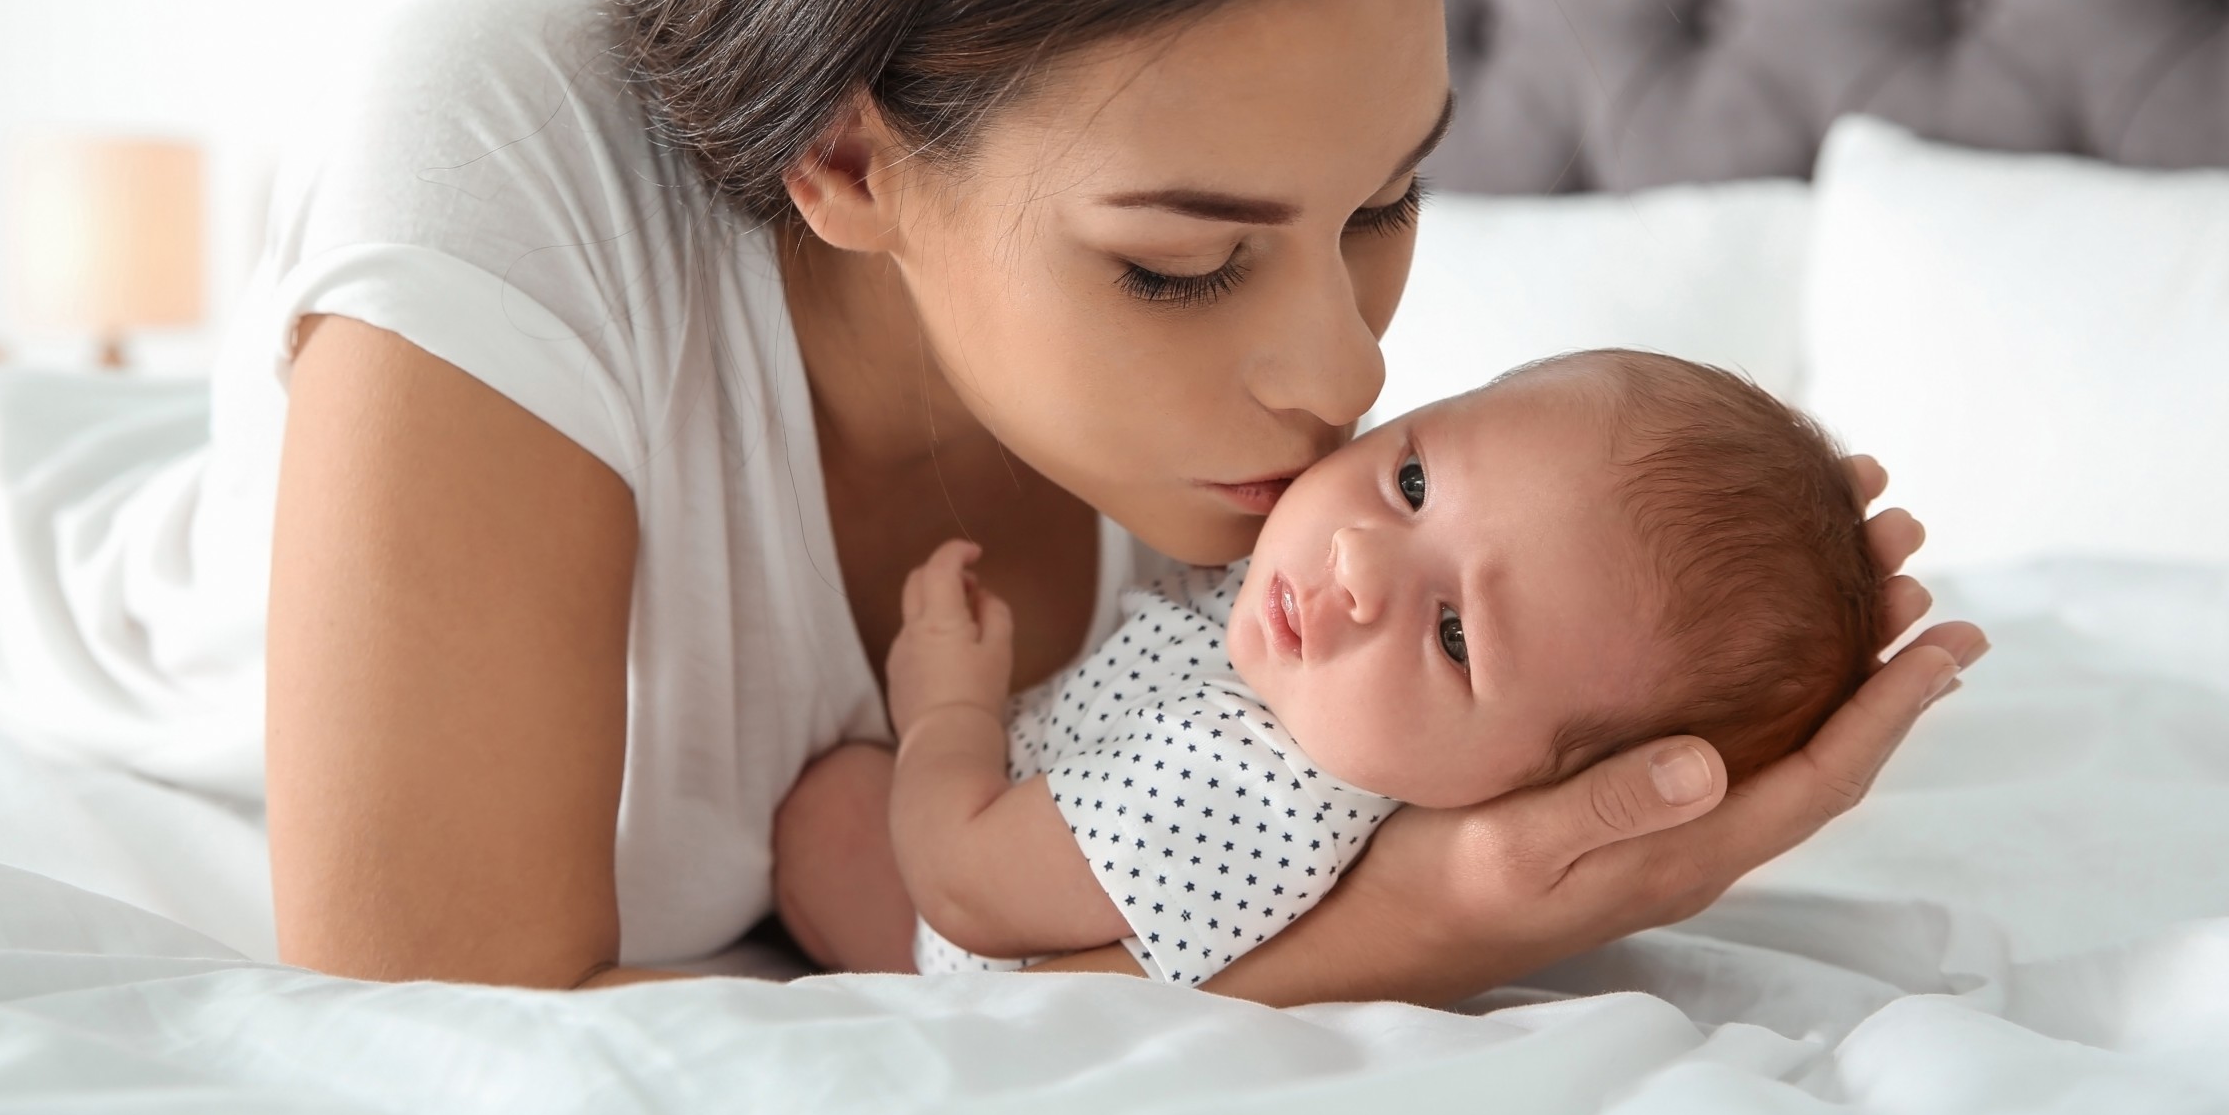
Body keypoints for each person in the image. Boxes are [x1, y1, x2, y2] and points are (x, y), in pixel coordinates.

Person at [250, 0, 1983, 999]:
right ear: (849, 155)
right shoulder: (507, 124)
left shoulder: (1279, 578)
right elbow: (426, 1012)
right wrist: (1427, 926)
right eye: (1186, 263)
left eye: (1386, 204)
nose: (1345, 377)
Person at [791, 351, 1881, 984]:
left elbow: (964, 886)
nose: (1357, 561)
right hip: (1036, 822)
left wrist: (946, 710)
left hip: (960, 942)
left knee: (826, 811)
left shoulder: (1251, 785)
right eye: (1413, 482)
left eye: (1455, 637)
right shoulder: (1308, 660)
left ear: (1515, 792)